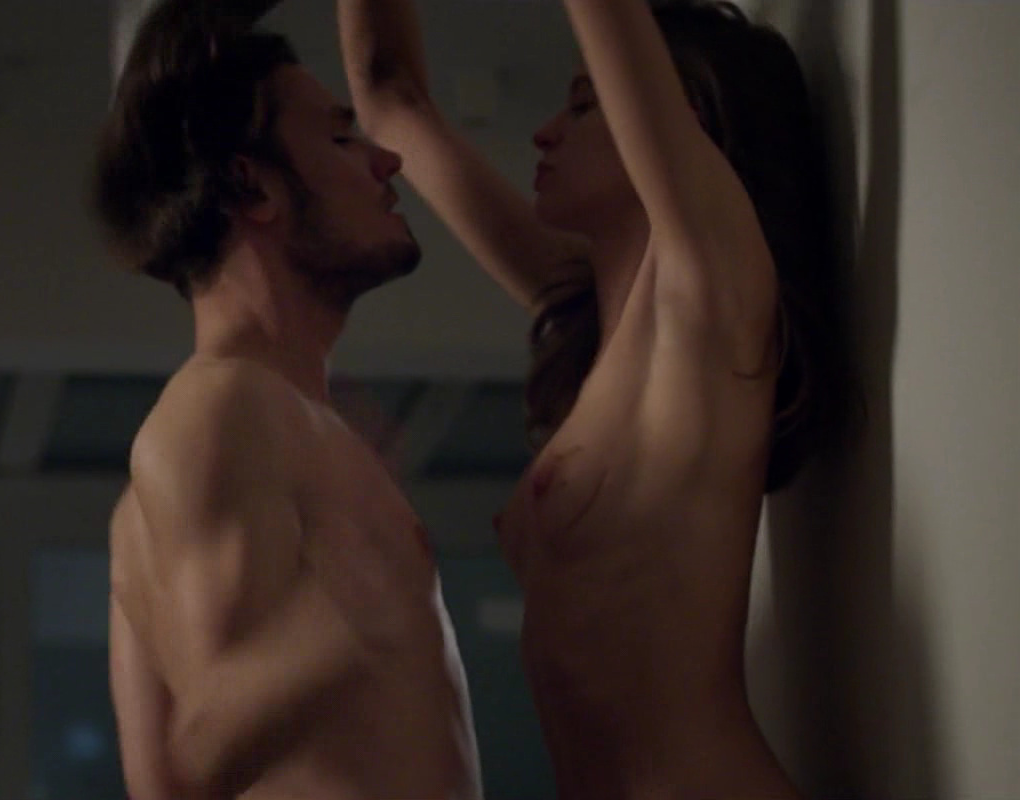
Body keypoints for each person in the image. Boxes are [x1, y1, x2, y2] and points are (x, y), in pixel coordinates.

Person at [337, 0, 849, 795]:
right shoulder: (593, 324)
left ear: (687, 121)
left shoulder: (708, 296)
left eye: (582, 104)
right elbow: (390, 99)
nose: (544, 132)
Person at [91, 1, 482, 798]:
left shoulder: (253, 427)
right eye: (341, 139)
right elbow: (204, 741)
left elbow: (162, 785)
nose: (387, 162)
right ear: (252, 185)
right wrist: (354, 613)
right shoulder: (221, 411)